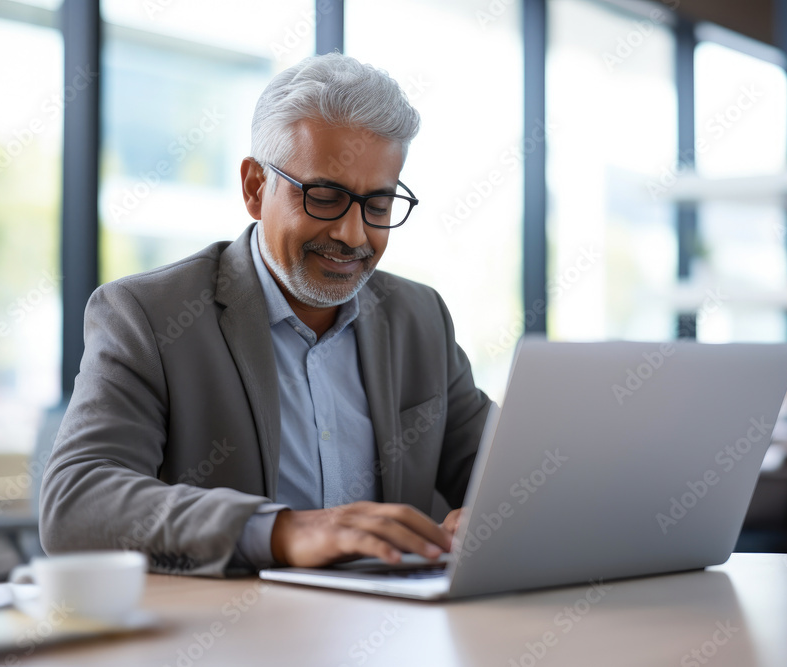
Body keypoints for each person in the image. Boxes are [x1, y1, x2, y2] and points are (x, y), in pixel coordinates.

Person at [39, 53, 493, 577]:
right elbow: (75, 503)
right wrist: (282, 531)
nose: (352, 235)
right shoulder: (150, 315)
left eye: (378, 205)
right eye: (325, 197)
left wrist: (504, 511)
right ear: (256, 188)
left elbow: (513, 466)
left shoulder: (420, 319)